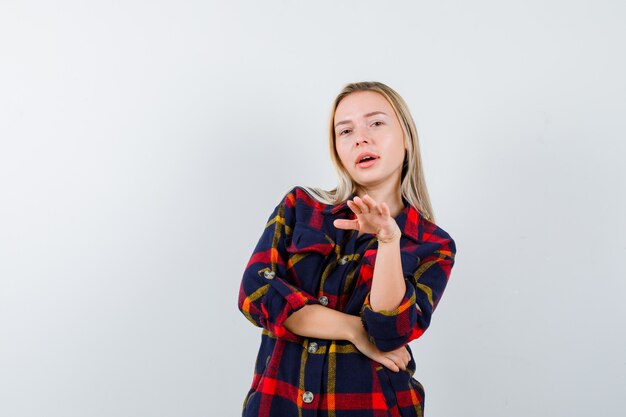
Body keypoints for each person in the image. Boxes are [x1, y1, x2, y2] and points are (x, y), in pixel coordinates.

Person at [237, 81, 457, 417]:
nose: (361, 138)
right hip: (277, 404)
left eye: (376, 123)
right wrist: (353, 329)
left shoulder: (433, 244)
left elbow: (388, 334)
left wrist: (388, 241)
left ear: (407, 138)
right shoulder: (300, 207)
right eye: (345, 130)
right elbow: (255, 293)